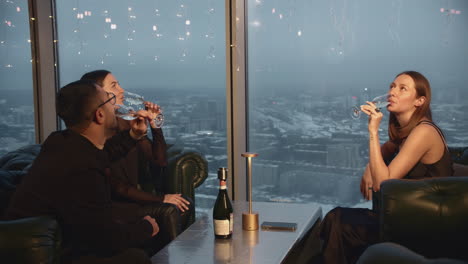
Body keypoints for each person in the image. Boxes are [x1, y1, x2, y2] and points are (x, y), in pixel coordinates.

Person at [5, 80, 159, 263]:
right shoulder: (80, 168)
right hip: (49, 252)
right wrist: (146, 227)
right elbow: (104, 239)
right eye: (110, 100)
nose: (118, 105)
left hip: (60, 238)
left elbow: (104, 153)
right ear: (100, 115)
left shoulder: (64, 142)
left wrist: (134, 135)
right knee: (135, 258)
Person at [318, 71, 453, 264]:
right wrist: (368, 169)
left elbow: (383, 184)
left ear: (419, 101)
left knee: (339, 220)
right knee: (335, 218)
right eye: (392, 86)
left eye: (402, 88)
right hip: (404, 214)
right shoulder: (404, 132)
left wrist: (373, 131)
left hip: (423, 225)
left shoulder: (424, 131)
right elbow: (385, 151)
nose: (392, 92)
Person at [80, 70, 192, 253]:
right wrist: (162, 198)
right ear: (98, 94)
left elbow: (159, 161)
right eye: (114, 86)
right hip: (113, 206)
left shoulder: (126, 123)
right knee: (171, 208)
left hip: (131, 202)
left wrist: (155, 126)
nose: (122, 90)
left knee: (184, 203)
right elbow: (115, 186)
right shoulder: (95, 133)